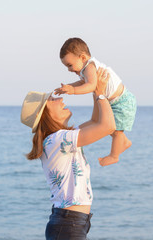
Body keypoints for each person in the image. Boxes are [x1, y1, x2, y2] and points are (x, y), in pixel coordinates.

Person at [21, 68, 115, 240]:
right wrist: (101, 94)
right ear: (45, 114)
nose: (60, 98)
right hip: (68, 224)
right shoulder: (58, 140)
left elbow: (96, 121)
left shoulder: (60, 139)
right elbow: (107, 126)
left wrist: (95, 88)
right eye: (52, 99)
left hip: (71, 223)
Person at [55, 37, 137, 167]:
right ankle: (124, 142)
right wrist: (69, 87)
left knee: (116, 130)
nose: (69, 70)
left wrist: (73, 90)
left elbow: (92, 86)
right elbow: (83, 82)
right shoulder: (85, 70)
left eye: (70, 65)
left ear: (82, 57)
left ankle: (114, 156)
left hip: (121, 101)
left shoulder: (90, 67)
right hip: (115, 101)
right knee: (109, 126)